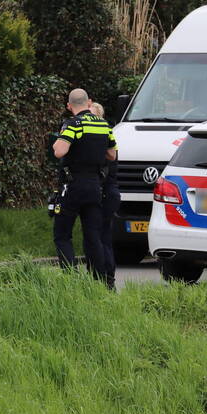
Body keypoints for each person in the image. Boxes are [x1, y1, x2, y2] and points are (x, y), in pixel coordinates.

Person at [52, 89, 116, 287]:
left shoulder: (73, 124)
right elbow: (112, 155)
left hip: (73, 186)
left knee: (62, 235)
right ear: (89, 103)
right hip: (95, 186)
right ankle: (99, 281)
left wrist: (59, 140)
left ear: (69, 106)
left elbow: (59, 151)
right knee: (93, 236)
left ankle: (71, 280)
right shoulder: (104, 125)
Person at [90, 102, 121, 282]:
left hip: (105, 193)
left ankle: (105, 276)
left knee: (100, 236)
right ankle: (104, 275)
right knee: (102, 235)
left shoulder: (103, 140)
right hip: (108, 192)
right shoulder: (108, 138)